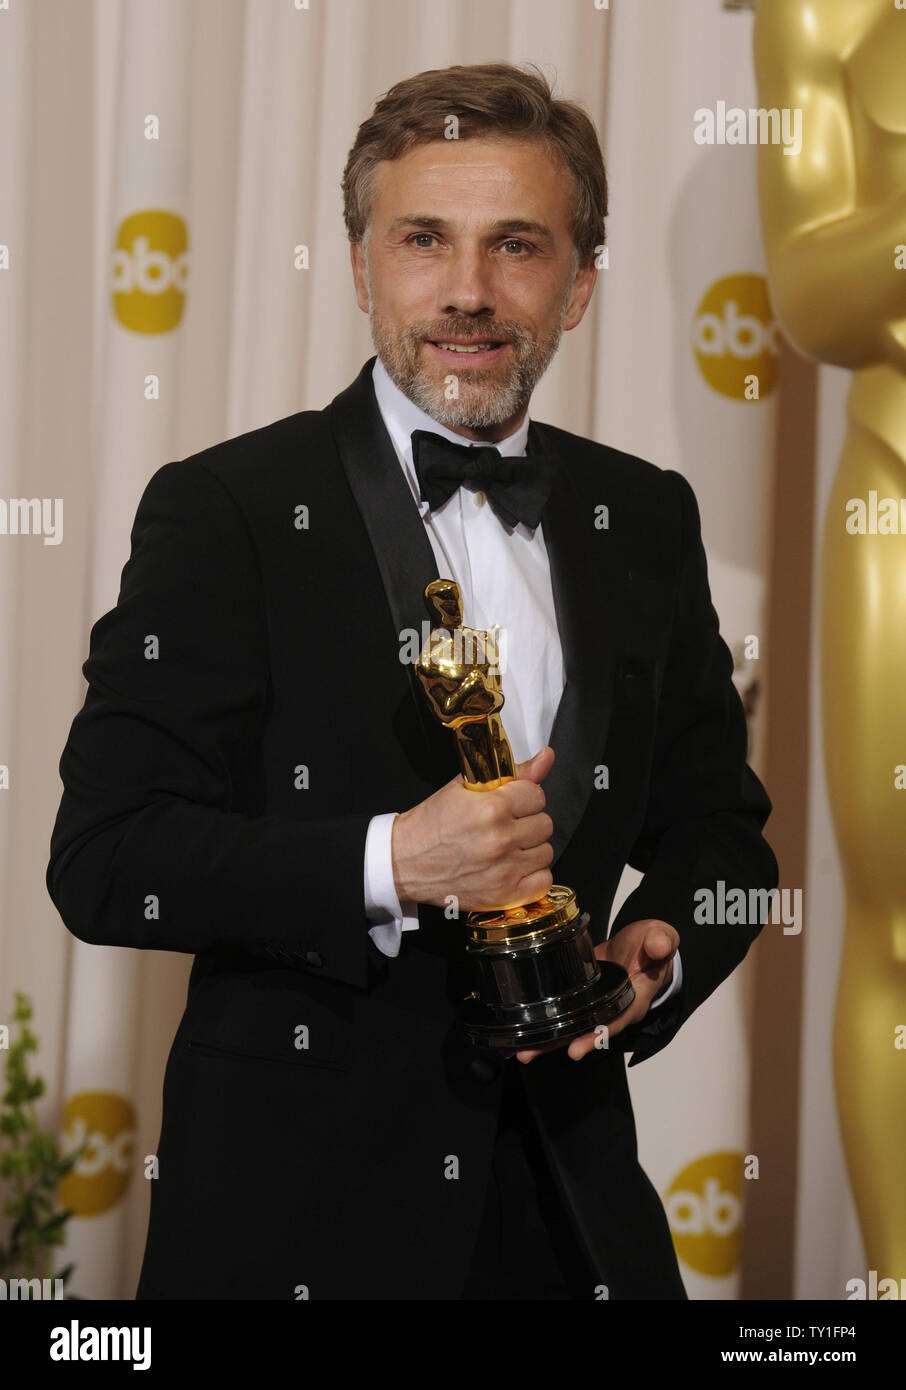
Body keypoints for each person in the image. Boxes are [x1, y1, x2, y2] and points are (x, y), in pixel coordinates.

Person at [46, 62, 778, 1300]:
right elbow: (106, 858)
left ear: (581, 283)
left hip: (573, 1222)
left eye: (520, 246)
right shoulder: (226, 511)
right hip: (294, 1230)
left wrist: (665, 955)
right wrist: (395, 860)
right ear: (361, 265)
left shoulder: (645, 516)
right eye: (424, 240)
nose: (469, 293)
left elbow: (728, 840)